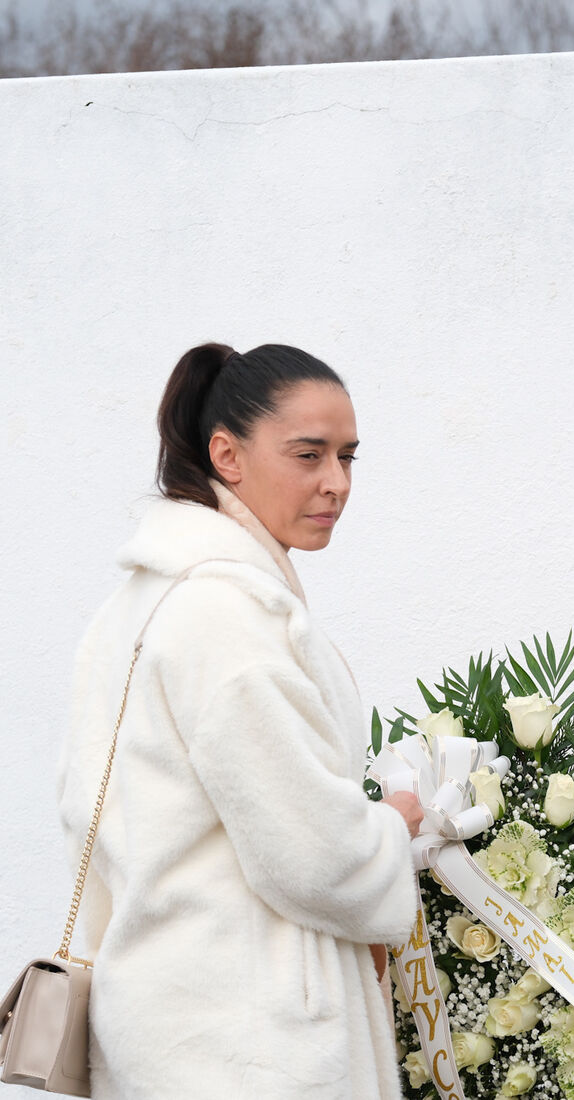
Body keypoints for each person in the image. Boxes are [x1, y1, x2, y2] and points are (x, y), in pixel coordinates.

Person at [57, 343, 423, 1099]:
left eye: (348, 457)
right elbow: (312, 854)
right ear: (226, 453)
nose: (336, 483)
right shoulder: (227, 613)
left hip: (178, 1020)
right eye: (308, 454)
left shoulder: (142, 599)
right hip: (252, 1044)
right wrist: (393, 825)